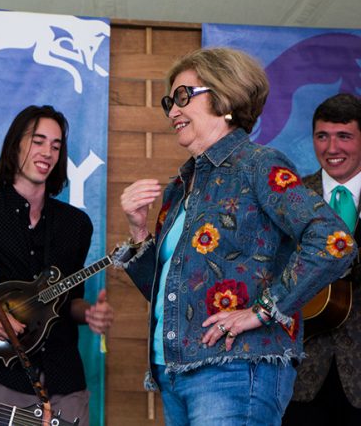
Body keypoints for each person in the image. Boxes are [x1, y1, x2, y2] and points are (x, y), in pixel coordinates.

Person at [117, 47, 356, 425]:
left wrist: (262, 310)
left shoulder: (258, 165)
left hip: (236, 371)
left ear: (223, 95)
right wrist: (137, 230)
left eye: (182, 97)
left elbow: (334, 242)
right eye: (169, 101)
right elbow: (169, 293)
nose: (172, 112)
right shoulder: (180, 188)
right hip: (175, 373)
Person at [0, 105, 113, 426]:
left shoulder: (76, 225)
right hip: (3, 375)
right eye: (38, 141)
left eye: (56, 146)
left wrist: (89, 314)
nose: (47, 152)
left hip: (65, 377)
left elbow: (68, 302)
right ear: (15, 145)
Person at [282, 93, 361, 425]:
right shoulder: (290, 197)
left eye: (344, 136)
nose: (332, 148)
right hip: (303, 378)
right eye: (322, 136)